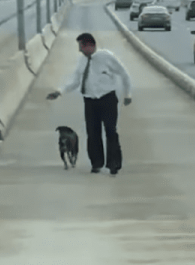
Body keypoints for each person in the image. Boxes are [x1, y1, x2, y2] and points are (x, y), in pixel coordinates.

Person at [47, 33, 132, 175]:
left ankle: (114, 164)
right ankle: (96, 163)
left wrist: (128, 94)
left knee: (111, 131)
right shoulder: (82, 61)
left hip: (107, 99)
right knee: (93, 132)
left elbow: (124, 74)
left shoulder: (106, 57)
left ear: (89, 45)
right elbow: (75, 80)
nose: (79, 50)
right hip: (90, 101)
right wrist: (59, 91)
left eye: (81, 46)